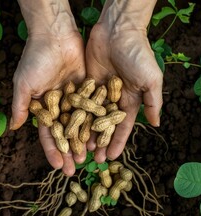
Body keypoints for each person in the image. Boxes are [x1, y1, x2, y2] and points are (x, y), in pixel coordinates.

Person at [9, 0, 163, 176]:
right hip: (83, 108)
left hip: (86, 108)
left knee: (82, 114)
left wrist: (127, 25)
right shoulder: (78, 110)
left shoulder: (91, 109)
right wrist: (48, 29)